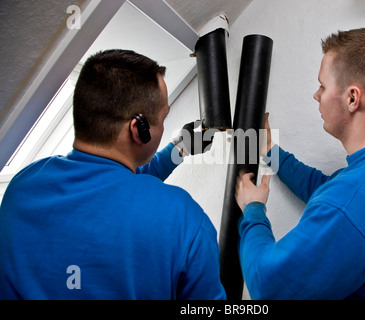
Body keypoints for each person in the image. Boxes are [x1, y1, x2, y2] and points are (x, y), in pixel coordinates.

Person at [235, 28, 365, 299]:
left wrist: (253, 211)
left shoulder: (351, 202)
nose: (316, 95)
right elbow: (332, 189)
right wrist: (270, 151)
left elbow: (268, 286)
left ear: (352, 98)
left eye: (323, 86)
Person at [0, 49, 226, 300]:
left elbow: (113, 184)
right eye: (163, 118)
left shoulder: (22, 185)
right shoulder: (184, 219)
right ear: (137, 129)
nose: (163, 126)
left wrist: (179, 149)